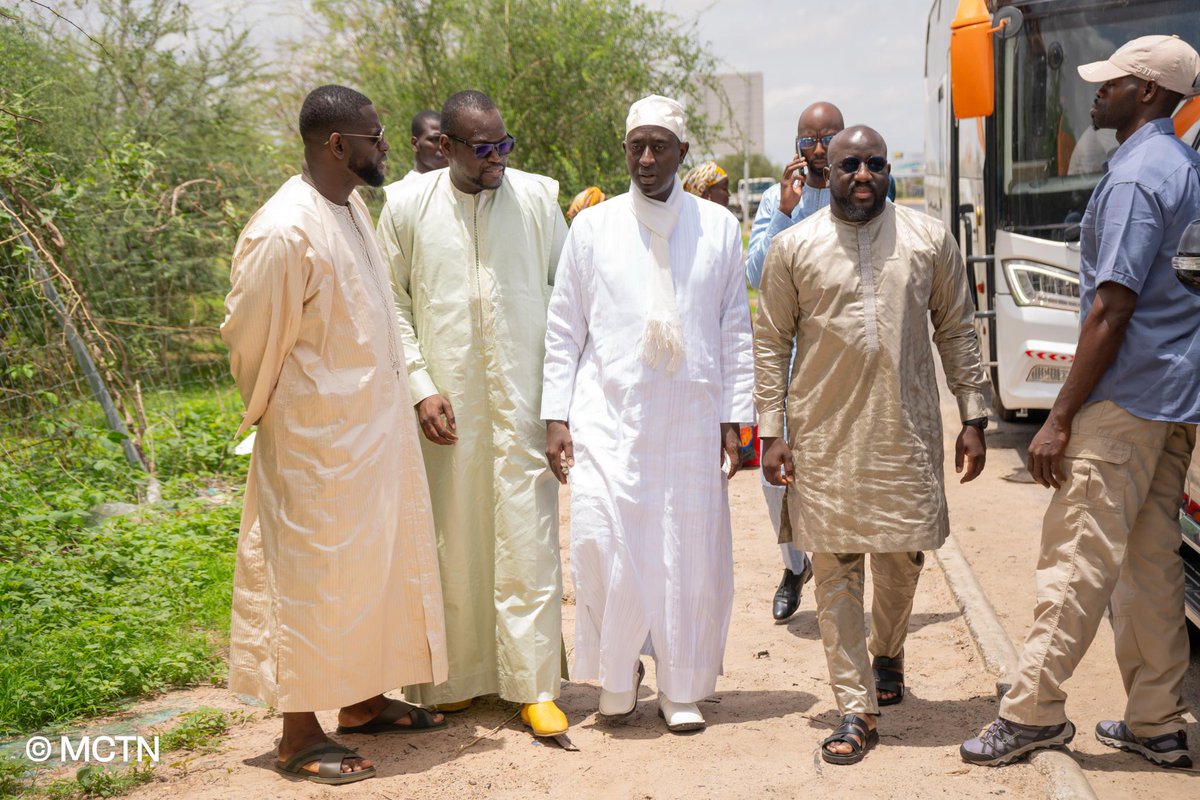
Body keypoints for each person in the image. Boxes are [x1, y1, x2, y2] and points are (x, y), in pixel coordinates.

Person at [962, 34, 1200, 771]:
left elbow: (1110, 309)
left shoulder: (1135, 178)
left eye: (1112, 82)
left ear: (1150, 93)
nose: (1095, 92)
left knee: (1076, 558)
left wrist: (1059, 416)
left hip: (1123, 400)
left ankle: (1032, 711)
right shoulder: (1185, 167)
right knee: (1151, 561)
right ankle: (1157, 719)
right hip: (1172, 401)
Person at [221, 84, 448, 787]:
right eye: (375, 136)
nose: (386, 146)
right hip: (317, 445)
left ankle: (361, 702)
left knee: (369, 575)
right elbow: (250, 340)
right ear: (336, 145)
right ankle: (296, 736)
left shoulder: (348, 207)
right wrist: (289, 417)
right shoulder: (285, 228)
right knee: (312, 584)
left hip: (370, 440)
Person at [755, 125, 989, 765]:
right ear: (826, 171)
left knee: (903, 558)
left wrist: (973, 413)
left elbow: (959, 330)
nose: (864, 174)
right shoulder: (793, 248)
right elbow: (772, 341)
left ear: (889, 171)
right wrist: (769, 431)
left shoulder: (928, 239)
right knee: (833, 569)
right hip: (822, 434)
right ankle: (854, 708)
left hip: (904, 431)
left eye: (875, 164)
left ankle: (888, 654)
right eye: (850, 163)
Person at [542, 95, 755, 733]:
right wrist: (557, 415)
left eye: (659, 145)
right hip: (607, 416)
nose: (646, 157)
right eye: (637, 145)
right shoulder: (592, 228)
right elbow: (563, 330)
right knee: (603, 544)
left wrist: (735, 417)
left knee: (684, 550)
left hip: (689, 421)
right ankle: (616, 679)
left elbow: (734, 331)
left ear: (682, 153)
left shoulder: (717, 229)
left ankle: (680, 687)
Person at [376, 90, 570, 739]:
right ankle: (452, 680)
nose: (497, 160)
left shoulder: (540, 199)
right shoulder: (406, 206)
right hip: (445, 407)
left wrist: (559, 408)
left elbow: (566, 305)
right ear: (448, 148)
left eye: (504, 146)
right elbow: (391, 306)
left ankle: (534, 684)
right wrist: (421, 387)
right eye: (483, 150)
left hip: (525, 403)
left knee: (529, 541)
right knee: (449, 541)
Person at [745, 101, 844, 624]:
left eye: (829, 138)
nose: (820, 149)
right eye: (810, 140)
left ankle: (835, 578)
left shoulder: (862, 191)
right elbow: (759, 270)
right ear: (797, 147)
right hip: (786, 362)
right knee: (773, 478)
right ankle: (793, 565)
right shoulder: (776, 198)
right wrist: (785, 210)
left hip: (838, 365)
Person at [383, 110, 449, 203]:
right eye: (435, 139)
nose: (443, 146)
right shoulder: (402, 194)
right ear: (415, 144)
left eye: (447, 140)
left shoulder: (461, 188)